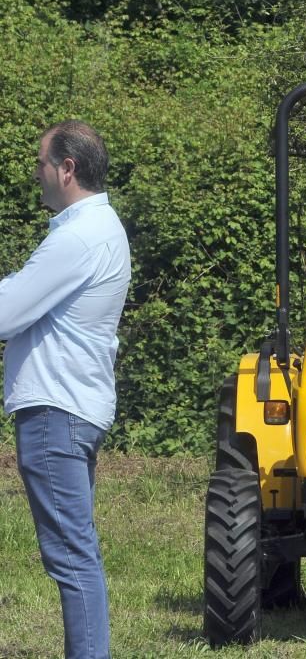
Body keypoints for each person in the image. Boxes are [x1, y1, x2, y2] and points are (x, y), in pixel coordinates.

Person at [1, 120, 131, 658]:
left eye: (40, 164)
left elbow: (6, 313)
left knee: (72, 557)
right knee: (73, 553)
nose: (37, 174)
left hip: (56, 409)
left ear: (67, 168)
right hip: (71, 407)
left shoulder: (79, 235)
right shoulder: (94, 229)